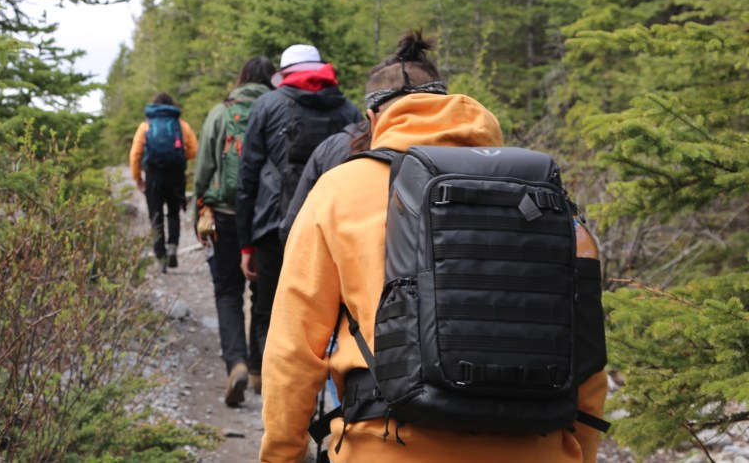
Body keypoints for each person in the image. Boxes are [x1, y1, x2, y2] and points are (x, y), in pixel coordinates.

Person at [260, 31, 608, 462]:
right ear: (450, 104)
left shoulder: (339, 190)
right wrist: (577, 451)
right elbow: (587, 348)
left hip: (385, 447)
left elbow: (293, 350)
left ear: (372, 119)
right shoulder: (538, 189)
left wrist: (282, 455)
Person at [236, 44, 362, 377]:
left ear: (285, 72)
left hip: (271, 224)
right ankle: (322, 384)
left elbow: (247, 175)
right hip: (332, 229)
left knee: (267, 307)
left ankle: (264, 378)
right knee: (326, 312)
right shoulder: (349, 110)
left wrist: (245, 244)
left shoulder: (266, 105)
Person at [193, 55, 276, 407]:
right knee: (263, 293)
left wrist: (201, 204)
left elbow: (205, 169)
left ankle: (236, 363)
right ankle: (259, 369)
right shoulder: (277, 109)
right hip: (265, 216)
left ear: (241, 78)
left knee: (227, 291)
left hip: (226, 215)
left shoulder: (221, 113)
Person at [129, 92, 198, 273]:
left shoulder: (146, 125)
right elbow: (194, 150)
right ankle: (173, 245)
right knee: (173, 212)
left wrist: (137, 178)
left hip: (153, 175)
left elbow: (135, 154)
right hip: (176, 174)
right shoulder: (180, 124)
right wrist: (180, 157)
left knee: (155, 215)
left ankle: (160, 257)